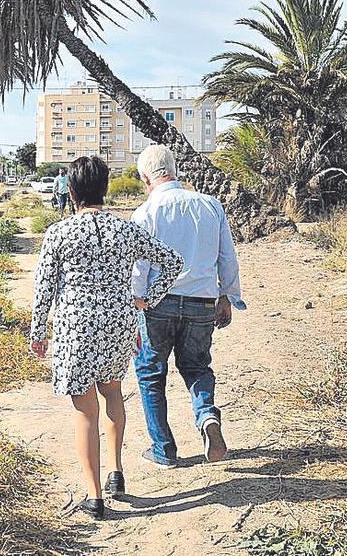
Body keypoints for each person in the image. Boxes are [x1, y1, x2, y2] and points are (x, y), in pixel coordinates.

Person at [30, 155, 184, 519]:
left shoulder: (58, 233)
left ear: (71, 191)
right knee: (113, 392)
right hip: (119, 325)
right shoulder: (125, 230)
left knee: (85, 411)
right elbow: (173, 262)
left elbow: (44, 288)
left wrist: (38, 332)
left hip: (76, 328)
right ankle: (117, 473)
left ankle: (94, 495)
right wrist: (146, 300)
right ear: (105, 188)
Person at [130, 144, 244, 469]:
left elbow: (139, 267)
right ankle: (207, 415)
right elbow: (227, 258)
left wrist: (135, 302)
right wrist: (227, 296)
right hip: (202, 302)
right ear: (174, 170)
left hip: (158, 304)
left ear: (144, 178)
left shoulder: (145, 213)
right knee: (196, 367)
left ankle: (164, 450)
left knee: (151, 374)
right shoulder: (211, 206)